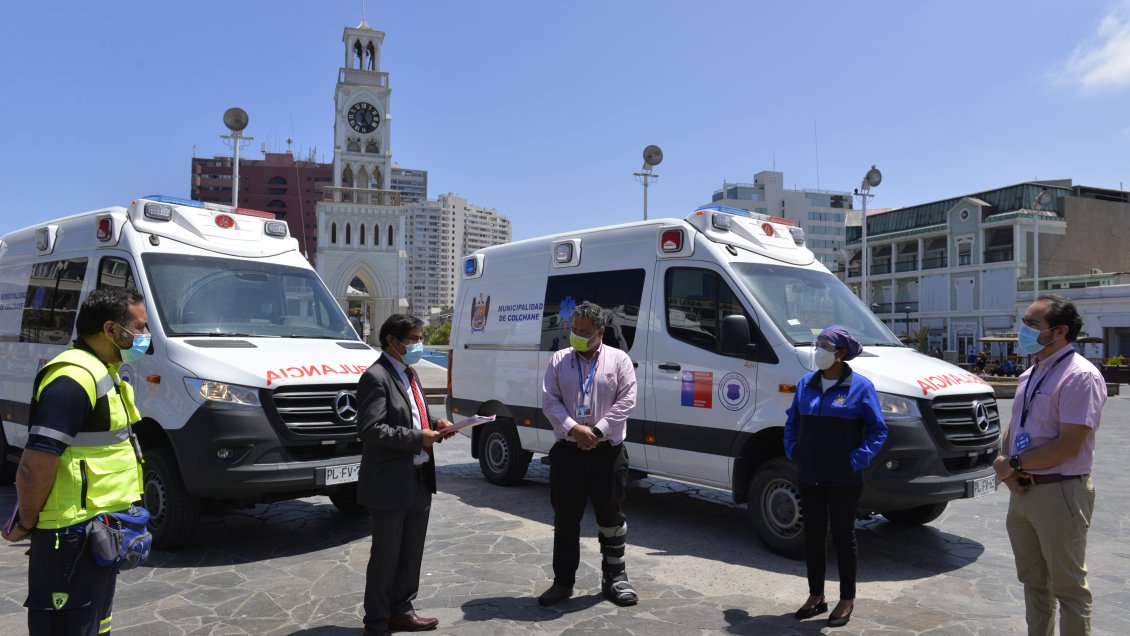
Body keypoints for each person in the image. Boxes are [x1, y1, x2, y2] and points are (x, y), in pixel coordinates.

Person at [2, 287, 148, 635]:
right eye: (139, 328)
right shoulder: (73, 378)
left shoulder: (103, 371)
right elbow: (35, 464)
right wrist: (25, 521)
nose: (145, 337)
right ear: (111, 330)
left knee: (95, 622)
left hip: (98, 529)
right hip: (69, 534)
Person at [992, 295, 1106, 636]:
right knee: (1033, 582)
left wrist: (1011, 463)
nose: (1022, 330)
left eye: (1032, 324)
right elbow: (1018, 426)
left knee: (1068, 588)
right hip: (1025, 490)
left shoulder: (1080, 376)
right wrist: (1011, 472)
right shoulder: (1031, 373)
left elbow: (1069, 445)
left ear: (1060, 332)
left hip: (1061, 492)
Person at [356, 314, 455, 636]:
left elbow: (413, 414)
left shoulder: (409, 373)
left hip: (419, 477)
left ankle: (402, 609)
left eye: (419, 338)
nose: (418, 345)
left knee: (411, 552)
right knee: (385, 556)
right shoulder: (376, 376)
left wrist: (437, 426)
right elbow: (371, 429)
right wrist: (417, 438)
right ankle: (376, 622)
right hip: (390, 481)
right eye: (413, 339)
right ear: (392, 341)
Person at [784, 326, 888, 628]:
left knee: (844, 537)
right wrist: (793, 450)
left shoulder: (861, 387)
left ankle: (846, 599)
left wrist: (858, 458)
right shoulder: (806, 383)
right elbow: (792, 423)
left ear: (841, 353)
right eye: (817, 344)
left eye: (825, 346)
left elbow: (878, 430)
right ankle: (816, 595)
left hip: (844, 478)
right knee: (813, 536)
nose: (818, 350)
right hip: (810, 474)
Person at [538, 300, 638, 607]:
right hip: (568, 452)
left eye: (584, 331)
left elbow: (627, 400)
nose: (576, 335)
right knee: (566, 519)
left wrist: (595, 432)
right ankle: (563, 582)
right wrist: (573, 429)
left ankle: (615, 579)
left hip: (607, 452)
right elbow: (549, 401)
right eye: (574, 329)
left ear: (600, 332)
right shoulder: (559, 360)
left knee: (611, 517)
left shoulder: (619, 360)